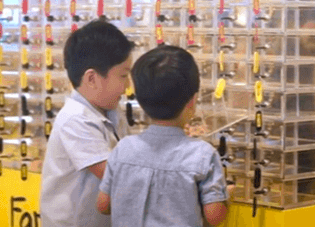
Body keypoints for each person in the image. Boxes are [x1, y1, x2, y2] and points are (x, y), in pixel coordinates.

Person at [97, 45, 231, 227]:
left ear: (141, 103)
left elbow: (103, 205)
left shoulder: (123, 148)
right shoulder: (203, 155)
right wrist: (226, 197)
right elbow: (215, 216)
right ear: (192, 102)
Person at [40, 20, 133, 227]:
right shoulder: (76, 119)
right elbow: (114, 175)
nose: (128, 86)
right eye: (123, 76)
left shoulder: (110, 111)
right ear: (91, 79)